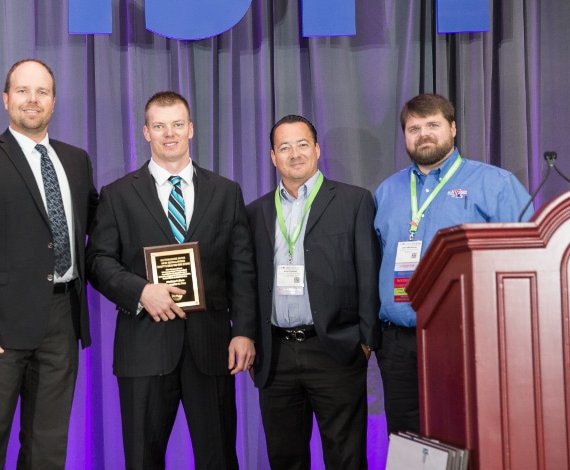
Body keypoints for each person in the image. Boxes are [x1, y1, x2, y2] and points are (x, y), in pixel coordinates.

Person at [85, 91, 257, 469]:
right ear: (146, 132)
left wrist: (244, 331)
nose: (170, 134)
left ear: (191, 129)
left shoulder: (226, 192)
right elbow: (97, 261)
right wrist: (141, 291)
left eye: (177, 124)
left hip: (211, 348)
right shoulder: (118, 195)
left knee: (219, 460)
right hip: (143, 348)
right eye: (160, 126)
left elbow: (241, 268)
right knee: (142, 460)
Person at [0, 58, 99, 469]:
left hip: (62, 319)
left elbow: (100, 227)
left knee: (48, 447)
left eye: (42, 92)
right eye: (23, 91)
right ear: (5, 99)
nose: (32, 99)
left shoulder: (76, 160)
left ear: (53, 101)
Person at [374, 93, 534, 435]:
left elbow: (525, 261)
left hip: (464, 339)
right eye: (414, 128)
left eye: (432, 125)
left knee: (465, 434)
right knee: (404, 440)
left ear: (453, 128)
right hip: (397, 343)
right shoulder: (387, 191)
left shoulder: (496, 184)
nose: (424, 134)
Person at [246, 114, 381, 469]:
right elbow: (245, 282)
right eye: (284, 147)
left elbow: (369, 273)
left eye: (302, 144)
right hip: (275, 355)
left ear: (317, 150)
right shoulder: (255, 212)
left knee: (346, 458)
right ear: (273, 157)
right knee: (285, 459)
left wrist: (366, 341)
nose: (295, 154)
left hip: (335, 350)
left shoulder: (354, 201)